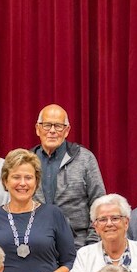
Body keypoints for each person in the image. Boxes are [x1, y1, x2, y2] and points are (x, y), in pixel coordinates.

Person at [31, 104, 107, 247]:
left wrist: (91, 244)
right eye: (47, 125)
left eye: (58, 126)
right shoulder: (27, 161)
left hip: (78, 244)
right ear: (37, 129)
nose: (52, 131)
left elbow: (100, 204)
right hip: (36, 245)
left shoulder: (85, 158)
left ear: (67, 131)